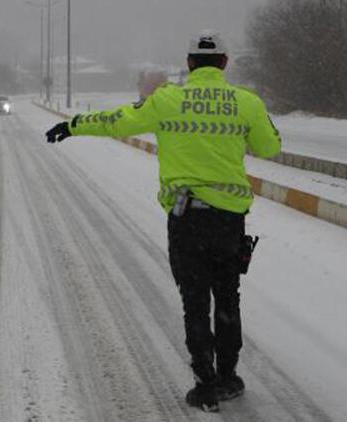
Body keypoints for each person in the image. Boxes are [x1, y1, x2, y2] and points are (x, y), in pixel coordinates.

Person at [45, 30, 282, 412]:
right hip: (228, 223)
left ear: (189, 64)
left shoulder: (168, 100)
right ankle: (228, 378)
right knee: (227, 298)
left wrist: (73, 125)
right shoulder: (247, 102)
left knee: (194, 302)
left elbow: (117, 121)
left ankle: (204, 384)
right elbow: (270, 146)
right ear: (224, 63)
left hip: (187, 221)